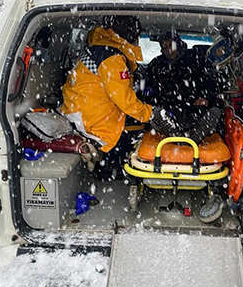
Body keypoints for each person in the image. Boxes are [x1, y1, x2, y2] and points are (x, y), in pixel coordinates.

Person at [61, 15, 179, 180]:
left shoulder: (100, 49)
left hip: (81, 113)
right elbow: (125, 101)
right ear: (132, 36)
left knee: (140, 124)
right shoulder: (112, 59)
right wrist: (152, 113)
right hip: (95, 123)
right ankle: (123, 173)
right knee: (140, 131)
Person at [146, 31, 223, 142]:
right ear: (161, 49)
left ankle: (194, 138)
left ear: (178, 43)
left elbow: (212, 83)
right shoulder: (156, 65)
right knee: (154, 112)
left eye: (171, 44)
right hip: (168, 113)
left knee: (215, 112)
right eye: (164, 46)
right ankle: (178, 138)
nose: (169, 49)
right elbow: (148, 91)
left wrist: (206, 99)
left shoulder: (196, 59)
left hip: (195, 110)